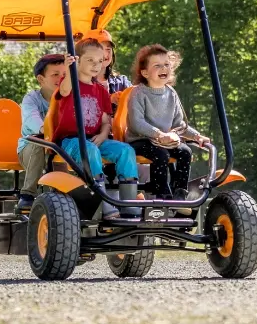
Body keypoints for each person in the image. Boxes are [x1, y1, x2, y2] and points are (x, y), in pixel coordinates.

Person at [54, 38, 140, 220]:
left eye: (100, 61)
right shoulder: (70, 82)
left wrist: (103, 135)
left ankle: (129, 204)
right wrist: (69, 69)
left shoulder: (101, 90)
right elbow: (64, 91)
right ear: (77, 60)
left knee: (126, 150)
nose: (96, 65)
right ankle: (102, 201)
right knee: (90, 150)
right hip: (70, 140)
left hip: (94, 138)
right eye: (90, 60)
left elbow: (105, 121)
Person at [126, 44, 210, 200]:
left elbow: (179, 124)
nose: (163, 68)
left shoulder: (171, 93)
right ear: (145, 73)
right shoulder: (139, 93)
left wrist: (196, 136)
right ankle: (162, 194)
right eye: (157, 66)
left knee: (185, 152)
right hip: (141, 140)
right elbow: (137, 123)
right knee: (161, 154)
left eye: (166, 64)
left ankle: (180, 192)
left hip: (163, 141)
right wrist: (159, 134)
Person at [16, 54, 68, 214]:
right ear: (41, 79)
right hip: (31, 149)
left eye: (64, 74)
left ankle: (71, 197)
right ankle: (28, 194)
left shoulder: (69, 98)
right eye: (55, 74)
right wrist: (45, 129)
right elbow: (31, 119)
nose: (61, 78)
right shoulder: (32, 99)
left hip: (59, 148)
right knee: (40, 143)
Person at [82, 29, 131, 104]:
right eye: (99, 49)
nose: (105, 55)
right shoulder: (78, 83)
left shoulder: (122, 82)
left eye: (108, 49)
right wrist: (110, 99)